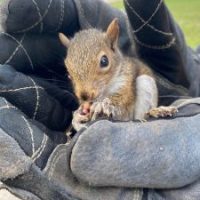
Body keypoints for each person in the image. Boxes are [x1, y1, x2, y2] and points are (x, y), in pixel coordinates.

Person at [0, 0, 200, 199]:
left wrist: (110, 105)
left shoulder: (123, 74)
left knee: (145, 81)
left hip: (136, 112)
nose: (85, 90)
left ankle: (148, 117)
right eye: (71, 76)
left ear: (112, 44)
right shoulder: (85, 91)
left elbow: (123, 106)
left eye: (102, 63)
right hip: (108, 137)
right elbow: (86, 109)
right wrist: (78, 118)